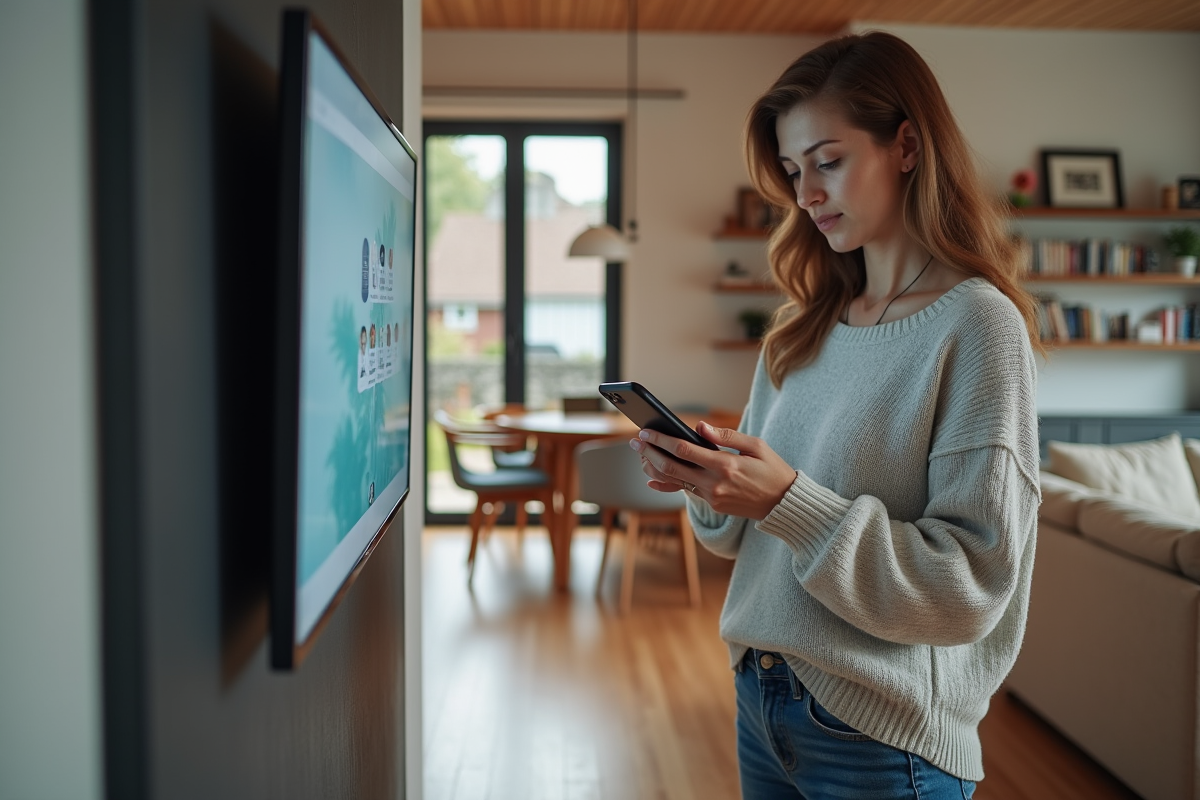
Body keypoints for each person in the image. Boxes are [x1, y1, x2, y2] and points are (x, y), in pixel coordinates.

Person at [632, 31, 1043, 800]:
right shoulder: (801, 328)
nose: (807, 194)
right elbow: (736, 539)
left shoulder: (977, 326)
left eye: (827, 161)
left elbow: (969, 584)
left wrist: (787, 501)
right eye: (794, 171)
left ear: (907, 146)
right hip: (761, 697)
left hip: (882, 738)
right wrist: (703, 478)